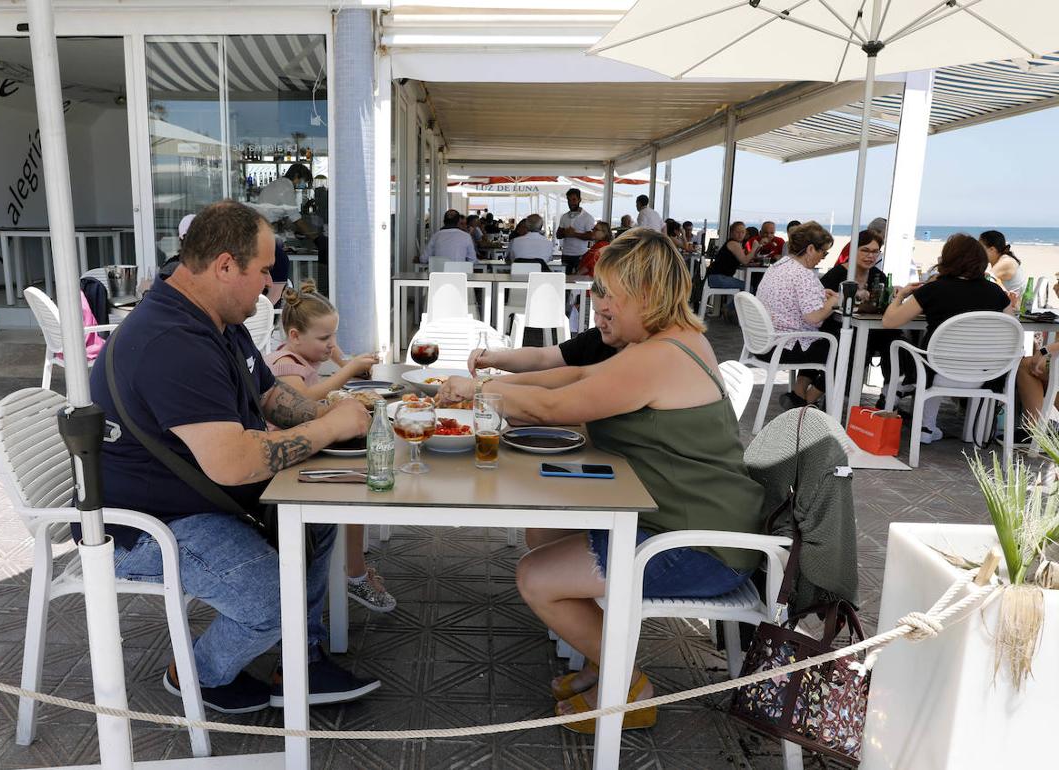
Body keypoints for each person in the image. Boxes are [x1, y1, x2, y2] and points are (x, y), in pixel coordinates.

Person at [435, 229, 764, 733]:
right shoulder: (667, 341)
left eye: (609, 292)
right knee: (544, 533)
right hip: (684, 519)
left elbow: (555, 406)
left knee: (535, 578)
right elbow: (570, 379)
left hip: (701, 546)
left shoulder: (661, 356)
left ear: (648, 296)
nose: (597, 302)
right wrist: (490, 386)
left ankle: (631, 688)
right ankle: (599, 661)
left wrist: (479, 390)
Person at [93, 200, 379, 714]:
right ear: (225, 265)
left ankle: (300, 660)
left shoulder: (218, 323)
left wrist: (336, 414)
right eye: (264, 271)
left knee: (317, 519)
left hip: (194, 500)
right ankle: (196, 674)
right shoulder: (173, 341)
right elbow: (231, 462)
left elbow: (272, 398)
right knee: (275, 602)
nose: (271, 286)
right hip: (145, 525)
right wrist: (328, 428)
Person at [264, 281, 396, 613]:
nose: (331, 345)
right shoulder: (285, 363)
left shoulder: (300, 353)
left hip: (307, 449)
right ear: (295, 336)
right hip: (285, 464)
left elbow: (329, 356)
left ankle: (353, 570)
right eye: (324, 338)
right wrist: (348, 370)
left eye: (334, 335)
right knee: (354, 492)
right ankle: (354, 574)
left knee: (359, 484)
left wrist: (339, 355)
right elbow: (303, 400)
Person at [883, 233, 1012, 444]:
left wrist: (900, 295)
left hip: (938, 372)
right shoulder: (997, 293)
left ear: (948, 259)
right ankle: (939, 428)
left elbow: (889, 322)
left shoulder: (934, 290)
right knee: (932, 354)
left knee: (909, 347)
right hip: (985, 375)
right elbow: (1009, 330)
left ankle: (907, 401)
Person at [755, 221, 842, 407]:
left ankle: (798, 395)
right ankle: (809, 400)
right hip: (785, 347)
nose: (823, 258)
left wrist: (820, 294)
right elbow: (813, 318)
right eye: (823, 252)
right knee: (842, 349)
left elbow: (791, 297)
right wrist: (831, 303)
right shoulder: (803, 275)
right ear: (811, 249)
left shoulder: (778, 266)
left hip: (764, 342)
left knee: (824, 339)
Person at [819, 229, 904, 398]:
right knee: (856, 344)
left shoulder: (877, 275)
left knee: (896, 340)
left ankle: (892, 393)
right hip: (835, 328)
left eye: (874, 251)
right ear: (853, 250)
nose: (870, 256)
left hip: (871, 329)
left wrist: (894, 294)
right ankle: (831, 393)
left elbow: (882, 303)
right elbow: (819, 300)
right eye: (865, 250)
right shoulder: (837, 274)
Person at [467, 285, 622, 374]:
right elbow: (542, 357)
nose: (600, 323)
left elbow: (550, 403)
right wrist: (493, 358)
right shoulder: (594, 339)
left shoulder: (639, 357)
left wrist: (483, 386)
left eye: (609, 317)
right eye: (596, 312)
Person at [556, 188, 596, 273]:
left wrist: (574, 234)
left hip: (581, 255)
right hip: (566, 255)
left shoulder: (587, 217)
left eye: (574, 200)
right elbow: (558, 235)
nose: (571, 203)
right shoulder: (564, 216)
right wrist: (565, 233)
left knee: (578, 281)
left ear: (579, 200)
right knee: (565, 280)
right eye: (569, 200)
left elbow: (591, 236)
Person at [705, 221, 750, 292]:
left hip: (714, 277)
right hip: (718, 278)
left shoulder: (733, 243)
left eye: (743, 232)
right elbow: (745, 261)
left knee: (745, 288)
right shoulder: (733, 243)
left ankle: (735, 303)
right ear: (731, 233)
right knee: (749, 288)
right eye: (737, 232)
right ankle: (734, 303)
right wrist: (754, 248)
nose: (740, 235)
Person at [981, 230, 1026, 296]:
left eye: (980, 248)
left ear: (992, 249)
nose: (978, 251)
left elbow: (987, 278)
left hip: (1017, 305)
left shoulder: (1006, 261)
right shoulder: (1000, 260)